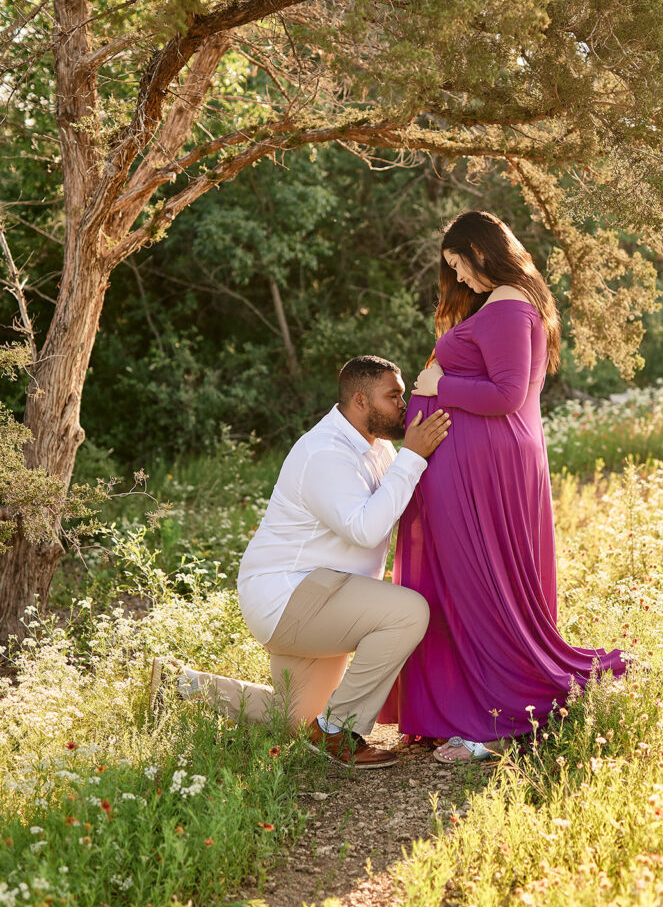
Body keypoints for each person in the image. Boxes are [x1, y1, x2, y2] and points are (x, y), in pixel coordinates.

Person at [379, 211, 627, 763]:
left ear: (481, 250)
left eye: (459, 265)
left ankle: (491, 721)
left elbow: (509, 394)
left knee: (481, 589)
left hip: (484, 470)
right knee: (463, 588)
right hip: (473, 464)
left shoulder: (511, 301)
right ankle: (459, 707)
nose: (459, 278)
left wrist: (443, 383)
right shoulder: (505, 302)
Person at [151, 355, 451, 769]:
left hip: (320, 595)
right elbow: (364, 529)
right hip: (290, 596)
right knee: (408, 612)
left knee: (295, 718)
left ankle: (180, 685)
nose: (402, 404)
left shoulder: (377, 447)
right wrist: (413, 457)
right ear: (361, 401)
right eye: (393, 395)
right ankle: (339, 733)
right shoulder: (324, 452)